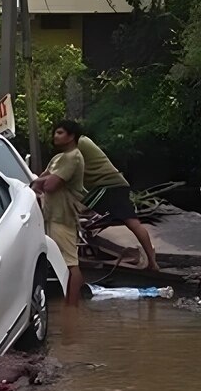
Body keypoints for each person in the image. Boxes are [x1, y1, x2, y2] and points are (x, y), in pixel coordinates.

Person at [79, 135, 160, 271]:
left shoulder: (79, 144)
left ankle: (152, 259)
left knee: (132, 223)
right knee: (131, 222)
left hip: (109, 186)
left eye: (61, 133)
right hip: (110, 186)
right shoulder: (79, 144)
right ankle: (151, 258)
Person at [31, 119, 88, 306]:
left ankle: (72, 308)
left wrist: (43, 181)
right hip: (51, 216)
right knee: (61, 262)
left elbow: (48, 185)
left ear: (71, 136)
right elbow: (38, 182)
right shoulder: (58, 158)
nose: (56, 135)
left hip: (63, 218)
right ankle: (71, 306)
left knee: (70, 264)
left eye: (60, 132)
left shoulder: (73, 157)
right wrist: (43, 180)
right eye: (56, 132)